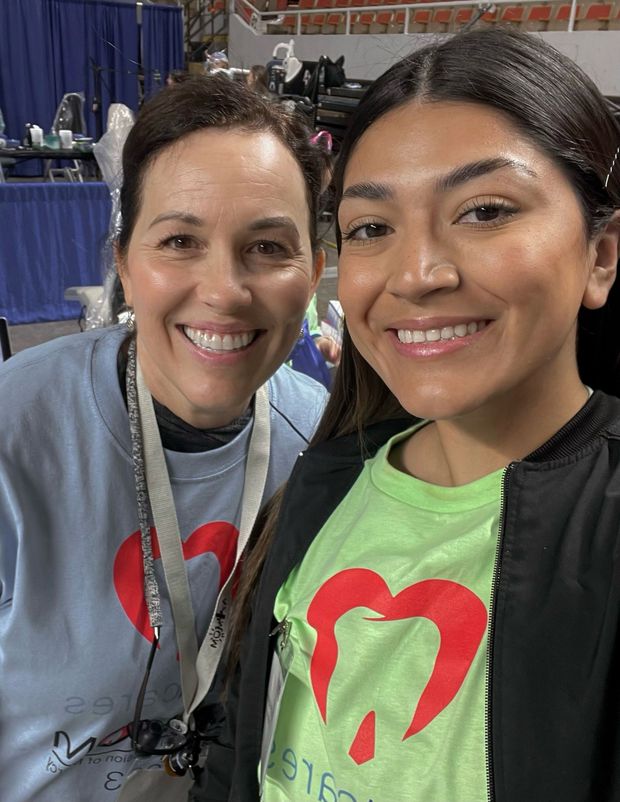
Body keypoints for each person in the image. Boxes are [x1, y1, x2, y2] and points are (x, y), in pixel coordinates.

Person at [213, 28, 620, 802]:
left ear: (601, 254)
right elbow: (244, 743)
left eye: (485, 210)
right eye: (371, 227)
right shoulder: (328, 482)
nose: (418, 273)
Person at [0, 75, 328, 802]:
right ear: (123, 263)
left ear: (315, 273)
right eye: (180, 240)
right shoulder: (15, 434)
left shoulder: (319, 446)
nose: (224, 290)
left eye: (268, 246)